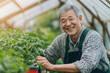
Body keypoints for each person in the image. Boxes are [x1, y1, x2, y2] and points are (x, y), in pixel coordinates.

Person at [36, 4, 110, 73]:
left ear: (80, 19)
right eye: (63, 21)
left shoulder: (93, 37)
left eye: (71, 19)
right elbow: (47, 56)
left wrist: (53, 67)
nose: (68, 24)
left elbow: (87, 65)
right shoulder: (60, 40)